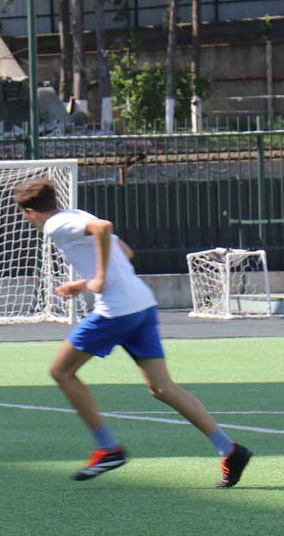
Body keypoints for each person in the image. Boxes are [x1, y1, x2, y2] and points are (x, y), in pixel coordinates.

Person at [13, 178, 252, 487]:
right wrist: (84, 284)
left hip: (116, 310)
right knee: (162, 388)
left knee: (61, 372)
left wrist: (98, 277)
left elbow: (104, 228)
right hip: (141, 304)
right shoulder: (76, 214)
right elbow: (124, 251)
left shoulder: (55, 225)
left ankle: (107, 447)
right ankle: (229, 449)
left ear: (30, 211)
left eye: (24, 214)